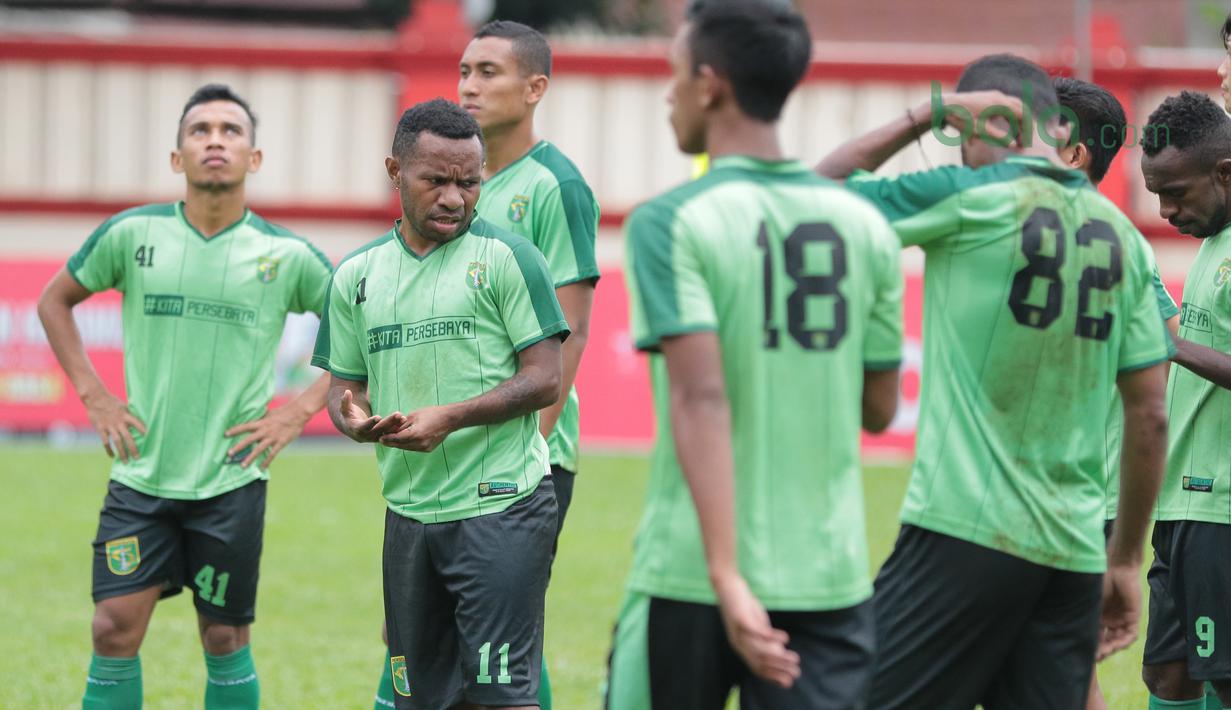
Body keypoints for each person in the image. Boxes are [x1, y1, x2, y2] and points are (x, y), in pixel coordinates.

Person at [815, 53, 1172, 708]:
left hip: (963, 533)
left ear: (986, 122)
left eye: (960, 126)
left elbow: (811, 194)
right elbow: (1149, 415)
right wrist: (1122, 562)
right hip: (1070, 552)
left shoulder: (970, 195)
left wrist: (920, 114)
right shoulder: (1123, 236)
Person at [605, 2, 904, 708]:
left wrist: (727, 576)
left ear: (709, 85)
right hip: (827, 575)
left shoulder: (669, 220)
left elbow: (700, 396)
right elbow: (879, 410)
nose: (667, 93)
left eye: (674, 73)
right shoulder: (865, 227)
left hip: (691, 574)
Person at [37, 83, 333, 709]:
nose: (215, 141)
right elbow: (53, 300)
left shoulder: (286, 254)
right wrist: (94, 395)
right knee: (112, 627)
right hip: (140, 476)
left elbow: (364, 332)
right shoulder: (131, 234)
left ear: (254, 159)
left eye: (231, 131)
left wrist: (300, 411)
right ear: (178, 158)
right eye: (200, 131)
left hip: (230, 482)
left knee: (224, 635)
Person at [374, 21, 600, 709]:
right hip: (440, 454)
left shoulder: (554, 186)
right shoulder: (452, 180)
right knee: (419, 631)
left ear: (535, 89)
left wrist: (524, 455)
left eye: (489, 72)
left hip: (519, 459)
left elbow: (572, 332)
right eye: (465, 70)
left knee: (503, 635)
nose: (469, 84)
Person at [314, 97, 567, 710]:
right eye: (436, 180)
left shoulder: (510, 259)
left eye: (469, 182)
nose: (455, 197)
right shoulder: (357, 276)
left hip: (501, 508)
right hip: (408, 514)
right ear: (395, 172)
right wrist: (353, 418)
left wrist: (449, 418)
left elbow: (544, 379)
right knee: (421, 699)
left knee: (498, 698)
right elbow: (343, 387)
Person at [1053, 75, 1183, 710]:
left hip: (1080, 490)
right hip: (1075, 491)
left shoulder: (1112, 240)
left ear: (1075, 153)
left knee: (1064, 669)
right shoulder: (1124, 241)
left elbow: (1167, 351)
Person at [1139, 90, 1231, 710]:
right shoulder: (1210, 242)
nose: (1167, 209)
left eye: (1177, 193)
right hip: (1180, 501)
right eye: (1156, 195)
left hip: (1221, 505)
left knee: (1223, 679)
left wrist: (1166, 344)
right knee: (1168, 675)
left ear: (1225, 173)